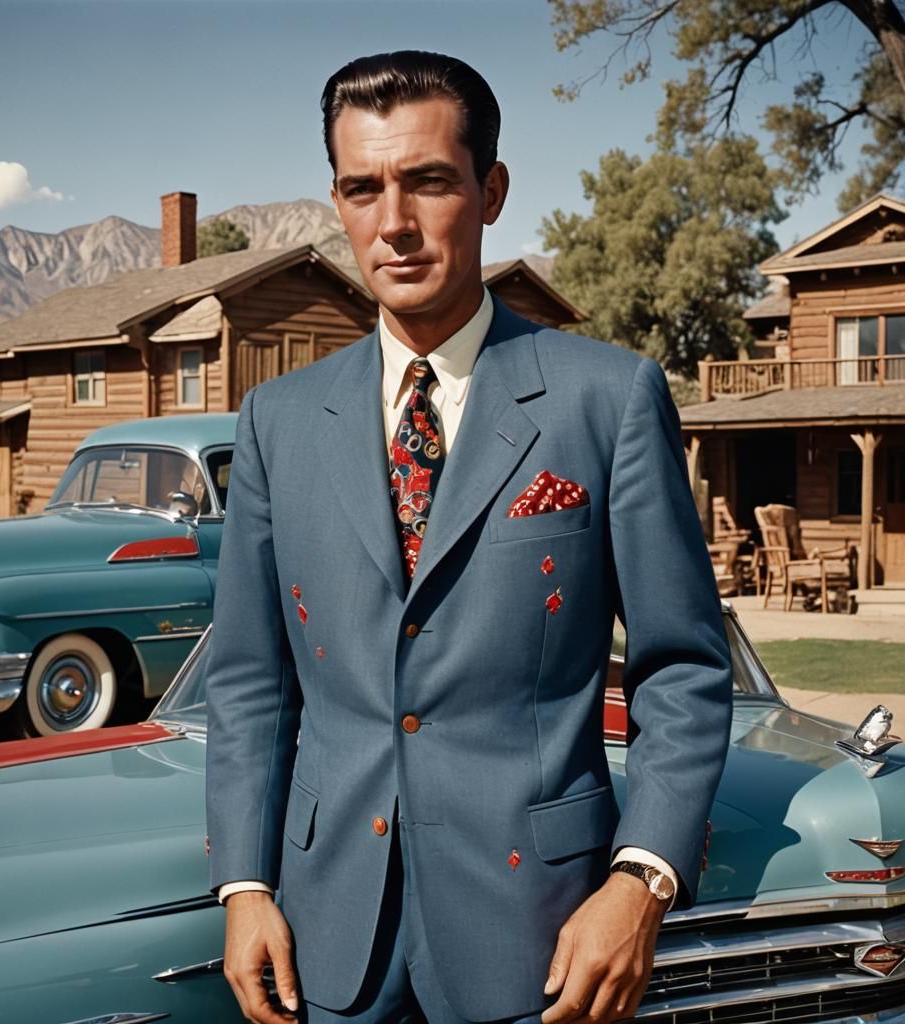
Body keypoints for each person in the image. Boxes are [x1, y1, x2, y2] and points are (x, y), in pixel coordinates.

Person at [205, 50, 733, 1024]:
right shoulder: (276, 420)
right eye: (362, 189)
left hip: (541, 937)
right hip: (326, 942)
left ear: (490, 190)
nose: (393, 224)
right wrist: (243, 884)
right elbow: (246, 679)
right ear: (336, 199)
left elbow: (685, 670)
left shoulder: (606, 399)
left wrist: (641, 880)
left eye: (428, 182)